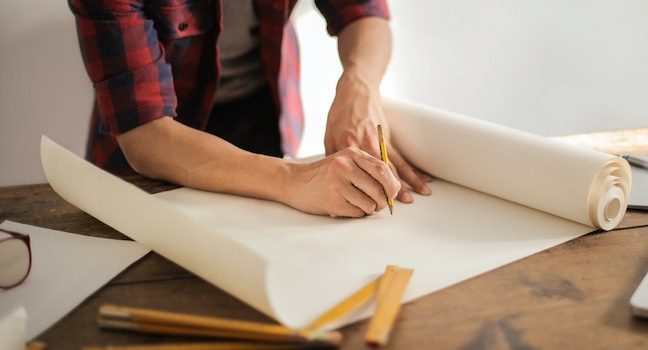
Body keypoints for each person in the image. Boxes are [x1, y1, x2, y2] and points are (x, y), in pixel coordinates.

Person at [68, 0, 431, 218]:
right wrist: (295, 179)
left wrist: (359, 84)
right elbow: (145, 136)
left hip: (262, 119)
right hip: (151, 157)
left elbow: (364, 13)